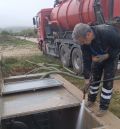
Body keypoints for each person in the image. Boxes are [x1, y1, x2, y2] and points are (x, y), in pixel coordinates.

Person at [72, 23, 120, 117]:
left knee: (107, 81)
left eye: (83, 41)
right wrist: (86, 78)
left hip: (111, 58)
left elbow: (118, 47)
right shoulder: (84, 42)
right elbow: (86, 60)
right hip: (97, 58)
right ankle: (91, 100)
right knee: (94, 80)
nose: (83, 44)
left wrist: (108, 55)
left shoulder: (108, 33)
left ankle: (103, 107)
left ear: (89, 34)